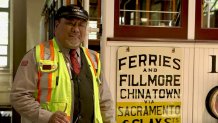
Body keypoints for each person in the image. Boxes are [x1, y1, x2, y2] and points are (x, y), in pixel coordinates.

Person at [10, 4, 114, 123]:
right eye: (70, 23)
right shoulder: (37, 55)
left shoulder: (94, 58)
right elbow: (19, 96)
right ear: (57, 25)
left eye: (81, 25)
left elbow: (105, 102)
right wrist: (47, 117)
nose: (76, 29)